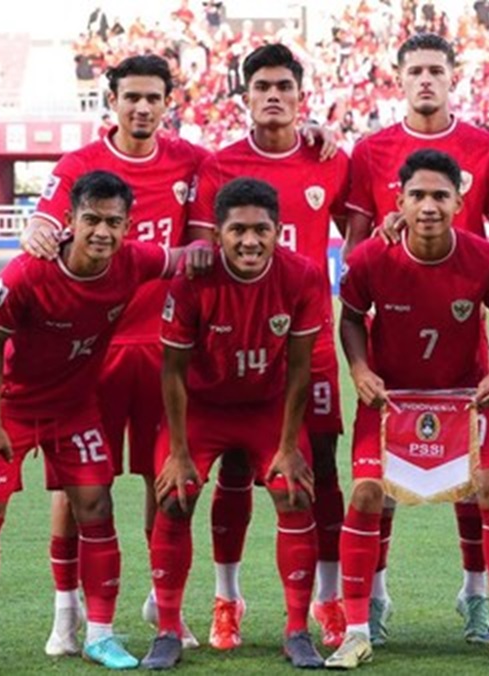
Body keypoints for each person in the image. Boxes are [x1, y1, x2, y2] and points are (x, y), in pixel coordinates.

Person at [0, 170, 209, 676]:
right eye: (91, 220)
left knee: (96, 505)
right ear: (69, 221)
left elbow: (183, 258)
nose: (102, 232)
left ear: (129, 226)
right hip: (9, 409)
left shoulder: (132, 262)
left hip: (74, 409)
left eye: (114, 222)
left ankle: (101, 636)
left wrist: (234, 249)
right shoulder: (27, 272)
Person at [20, 54, 210, 655]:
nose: (143, 108)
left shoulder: (192, 163)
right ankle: (66, 615)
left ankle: (164, 608)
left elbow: (203, 242)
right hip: (89, 355)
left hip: (164, 351)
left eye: (154, 98)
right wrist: (34, 231)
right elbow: (43, 225)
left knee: (167, 484)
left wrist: (321, 133)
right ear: (113, 100)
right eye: (132, 97)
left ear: (167, 102)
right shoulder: (79, 166)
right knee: (75, 491)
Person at [327, 149, 489, 669]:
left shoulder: (485, 258)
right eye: (417, 195)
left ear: (460, 202)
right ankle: (363, 618)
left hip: (463, 396)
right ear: (399, 201)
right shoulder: (373, 257)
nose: (429, 206)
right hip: (390, 395)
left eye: (441, 195)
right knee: (371, 493)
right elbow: (350, 317)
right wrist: (359, 370)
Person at [342, 32, 489, 646]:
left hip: (463, 353)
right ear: (399, 77)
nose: (426, 80)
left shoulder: (487, 147)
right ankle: (374, 604)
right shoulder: (372, 148)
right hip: (395, 358)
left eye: (437, 69)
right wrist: (383, 245)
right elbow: (356, 249)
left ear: (453, 75)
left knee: (476, 485)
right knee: (376, 487)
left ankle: (476, 599)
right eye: (416, 71)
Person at [188, 43, 352, 650]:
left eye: (285, 85)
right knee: (234, 469)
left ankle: (328, 599)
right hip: (237, 349)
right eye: (262, 86)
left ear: (301, 94)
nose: (274, 95)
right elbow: (202, 259)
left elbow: (356, 236)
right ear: (246, 96)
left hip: (310, 345)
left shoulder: (331, 160)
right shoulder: (218, 167)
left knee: (322, 472)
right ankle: (227, 598)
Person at [142, 178, 330, 670]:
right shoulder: (192, 281)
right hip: (202, 408)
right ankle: (167, 628)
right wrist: (179, 453)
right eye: (238, 230)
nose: (250, 240)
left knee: (294, 489)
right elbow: (173, 373)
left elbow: (299, 369)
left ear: (279, 231)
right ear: (219, 234)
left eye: (261, 230)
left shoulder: (304, 276)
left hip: (266, 407)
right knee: (174, 494)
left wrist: (289, 445)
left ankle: (296, 630)